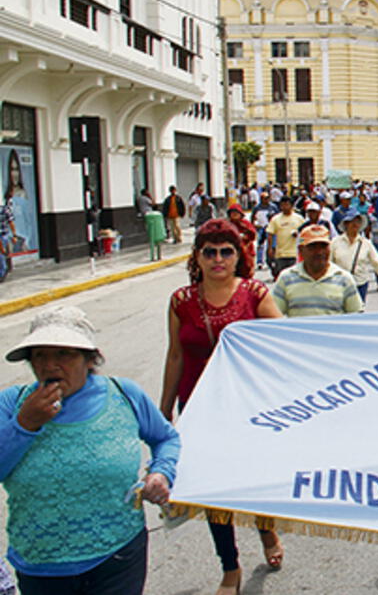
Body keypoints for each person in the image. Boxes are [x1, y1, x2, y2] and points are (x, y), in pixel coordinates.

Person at [1, 306, 179, 595]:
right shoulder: (12, 403)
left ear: (89, 358)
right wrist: (25, 424)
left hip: (118, 556)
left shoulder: (124, 394)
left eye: (63, 354)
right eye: (39, 355)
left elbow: (166, 438)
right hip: (41, 565)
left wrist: (161, 473)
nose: (49, 365)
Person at [160, 220, 283, 595]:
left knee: (252, 480)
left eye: (225, 251)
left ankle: (267, 531)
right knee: (213, 489)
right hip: (198, 409)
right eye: (209, 251)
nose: (217, 259)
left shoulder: (255, 293)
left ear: (238, 255)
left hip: (246, 407)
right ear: (197, 257)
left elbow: (282, 344)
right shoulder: (181, 301)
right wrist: (163, 411)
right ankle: (230, 567)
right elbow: (176, 355)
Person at [272, 225, 363, 316]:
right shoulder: (286, 278)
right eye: (312, 247)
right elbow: (273, 315)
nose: (319, 252)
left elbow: (356, 316)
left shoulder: (344, 279)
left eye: (323, 246)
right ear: (301, 250)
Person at [331, 210, 378, 303]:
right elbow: (329, 264)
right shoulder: (335, 243)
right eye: (352, 221)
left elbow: (377, 264)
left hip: (360, 283)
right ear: (346, 224)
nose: (355, 224)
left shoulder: (365, 243)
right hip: (340, 285)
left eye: (357, 221)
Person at [266, 197, 304, 281]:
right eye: (282, 205)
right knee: (282, 278)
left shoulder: (299, 218)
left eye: (287, 204)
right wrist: (270, 248)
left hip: (294, 253)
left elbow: (304, 232)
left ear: (291, 206)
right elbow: (270, 234)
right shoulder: (275, 219)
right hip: (280, 253)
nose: (285, 207)